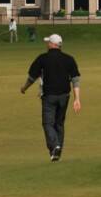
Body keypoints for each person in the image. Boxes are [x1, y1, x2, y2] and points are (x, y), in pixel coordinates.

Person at [20, 34, 81, 162]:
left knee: (48, 123)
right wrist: (77, 99)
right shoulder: (69, 59)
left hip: (49, 96)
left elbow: (32, 77)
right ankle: (57, 152)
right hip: (65, 96)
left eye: (48, 42)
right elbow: (75, 80)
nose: (47, 44)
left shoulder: (43, 59)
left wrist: (24, 88)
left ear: (53, 44)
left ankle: (55, 146)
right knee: (59, 124)